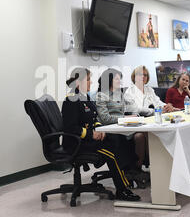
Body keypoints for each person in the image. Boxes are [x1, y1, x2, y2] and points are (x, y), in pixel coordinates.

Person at [61, 67, 140, 201]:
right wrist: (91, 134)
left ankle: (132, 174)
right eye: (88, 79)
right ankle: (122, 189)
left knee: (117, 141)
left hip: (88, 140)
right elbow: (70, 128)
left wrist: (98, 129)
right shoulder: (71, 100)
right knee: (111, 152)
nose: (91, 82)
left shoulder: (83, 97)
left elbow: (94, 118)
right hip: (77, 143)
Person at [95, 68, 149, 188]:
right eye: (117, 79)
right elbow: (105, 118)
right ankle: (129, 171)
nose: (120, 81)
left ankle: (137, 168)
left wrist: (138, 115)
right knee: (131, 137)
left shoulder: (119, 93)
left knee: (144, 133)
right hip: (110, 129)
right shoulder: (100, 95)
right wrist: (125, 118)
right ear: (109, 80)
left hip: (122, 125)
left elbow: (132, 108)